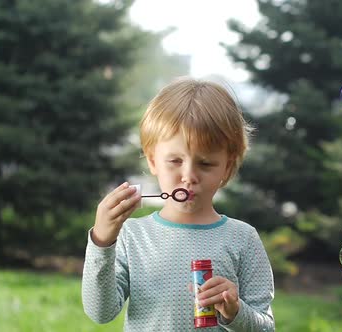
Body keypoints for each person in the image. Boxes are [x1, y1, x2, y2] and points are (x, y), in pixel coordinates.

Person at [82, 77, 275, 331]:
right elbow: (100, 312)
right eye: (175, 160)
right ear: (152, 161)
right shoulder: (132, 236)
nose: (188, 176)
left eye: (205, 164)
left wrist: (235, 312)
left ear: (226, 167)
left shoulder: (243, 238)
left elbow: (266, 327)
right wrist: (102, 242)